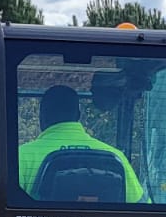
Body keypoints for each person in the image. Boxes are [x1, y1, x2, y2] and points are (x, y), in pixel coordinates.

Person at [18, 84, 148, 203]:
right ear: (78, 115)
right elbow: (142, 211)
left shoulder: (21, 156)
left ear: (42, 116)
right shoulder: (115, 157)